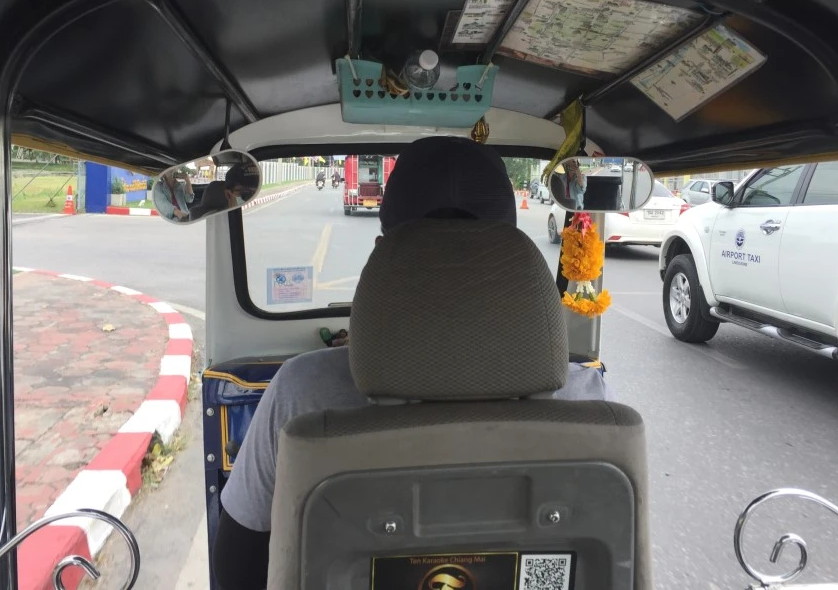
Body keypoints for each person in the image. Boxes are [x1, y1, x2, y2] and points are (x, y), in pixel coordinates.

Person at [213, 137, 615, 589]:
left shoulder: (303, 394)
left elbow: (239, 566)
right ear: (512, 255)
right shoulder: (587, 401)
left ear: (383, 251)